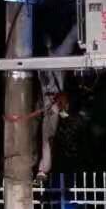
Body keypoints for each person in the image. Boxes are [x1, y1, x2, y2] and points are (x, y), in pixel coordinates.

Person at [36, 25, 78, 181]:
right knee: (47, 137)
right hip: (52, 104)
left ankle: (43, 170)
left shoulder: (54, 57)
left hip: (53, 103)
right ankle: (43, 170)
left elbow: (70, 39)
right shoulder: (40, 63)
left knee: (47, 136)